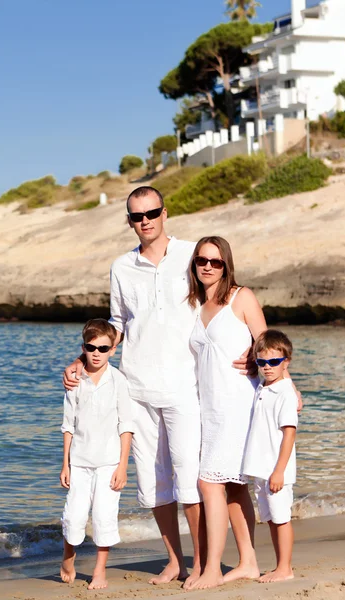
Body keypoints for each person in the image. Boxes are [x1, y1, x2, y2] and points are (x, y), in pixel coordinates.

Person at [63, 187, 255, 587]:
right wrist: (83, 360)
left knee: (191, 481)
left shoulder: (191, 254)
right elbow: (115, 324)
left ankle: (204, 563)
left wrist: (261, 356)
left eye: (151, 212)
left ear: (164, 213)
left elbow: (226, 297)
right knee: (153, 484)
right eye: (136, 216)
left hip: (185, 386)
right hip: (136, 387)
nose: (145, 220)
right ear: (130, 221)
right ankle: (175, 561)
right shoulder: (121, 267)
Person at [186, 236, 267, 591]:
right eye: (201, 260)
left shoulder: (240, 296)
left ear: (226, 265)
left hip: (237, 403)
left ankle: (213, 570)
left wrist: (257, 356)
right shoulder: (193, 304)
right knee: (234, 487)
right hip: (209, 407)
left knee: (209, 482)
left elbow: (268, 343)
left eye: (215, 262)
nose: (207, 266)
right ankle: (248, 562)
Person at [60, 318, 135, 590]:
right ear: (83, 347)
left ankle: (100, 570)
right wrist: (65, 464)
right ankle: (68, 556)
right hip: (79, 461)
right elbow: (68, 425)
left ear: (113, 350)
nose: (96, 353)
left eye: (103, 349)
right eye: (91, 347)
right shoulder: (74, 381)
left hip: (109, 462)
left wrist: (123, 466)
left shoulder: (118, 381)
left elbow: (126, 425)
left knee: (104, 516)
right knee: (74, 516)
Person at [243, 329, 298, 583]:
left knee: (282, 519)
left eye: (274, 362)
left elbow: (289, 435)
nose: (267, 367)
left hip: (277, 470)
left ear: (285, 362)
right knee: (272, 520)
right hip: (262, 468)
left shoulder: (285, 393)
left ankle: (285, 568)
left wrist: (279, 470)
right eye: (262, 362)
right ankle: (279, 565)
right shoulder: (263, 387)